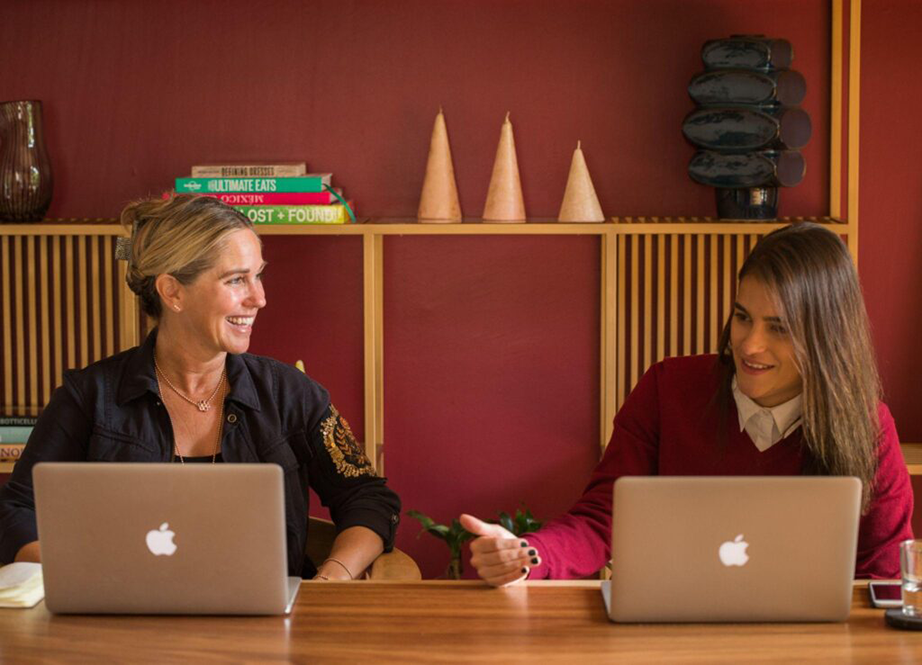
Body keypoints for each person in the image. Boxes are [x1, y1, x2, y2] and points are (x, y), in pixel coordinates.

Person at [461, 222, 913, 585]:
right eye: (742, 317)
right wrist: (529, 555)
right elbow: (605, 518)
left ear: (826, 336)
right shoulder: (668, 387)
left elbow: (884, 572)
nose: (750, 346)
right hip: (668, 639)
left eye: (779, 328)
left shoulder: (868, 426)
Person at [0, 194, 401, 580]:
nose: (259, 298)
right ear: (172, 291)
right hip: (123, 631)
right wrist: (79, 574)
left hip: (269, 636)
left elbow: (368, 497)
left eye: (258, 275)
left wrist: (333, 578)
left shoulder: (290, 394)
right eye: (236, 280)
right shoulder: (89, 396)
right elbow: (16, 510)